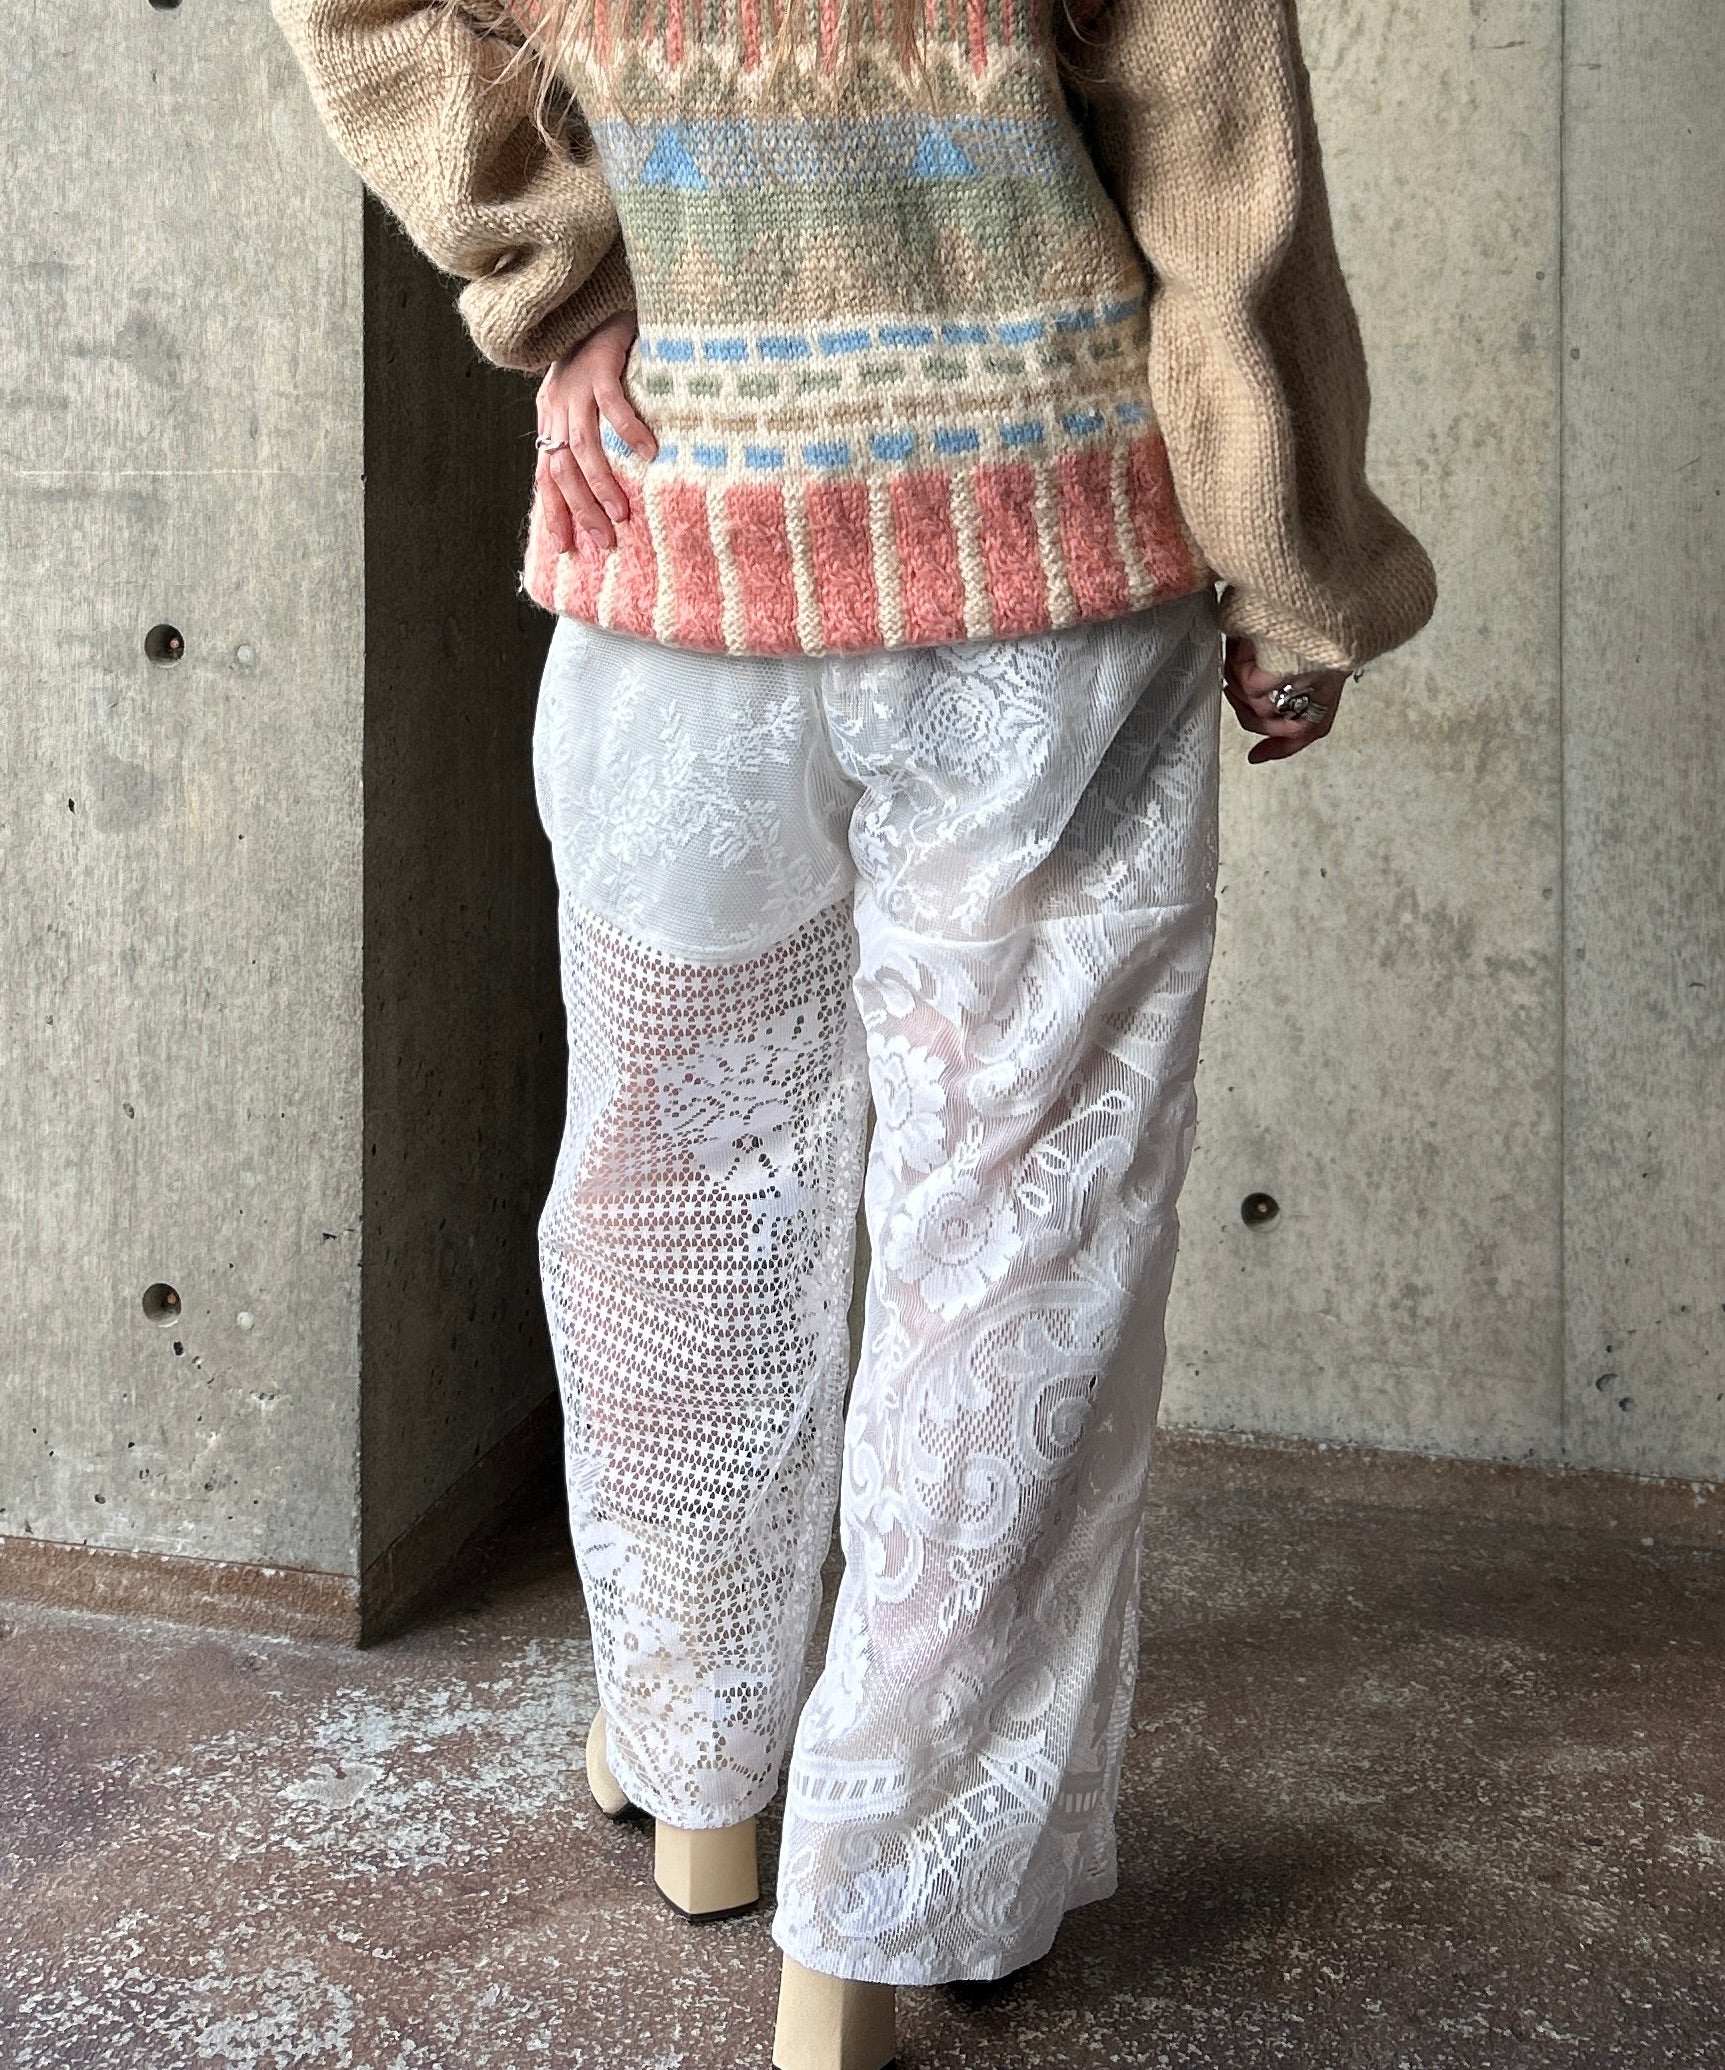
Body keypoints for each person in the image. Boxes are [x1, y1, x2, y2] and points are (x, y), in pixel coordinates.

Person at [269, 0, 1437, 2062]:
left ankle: (697, 1770)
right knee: (1020, 1227)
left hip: (676, 512)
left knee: (673, 1184)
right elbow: (1217, 168)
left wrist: (560, 268)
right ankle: (889, 1910)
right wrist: (1287, 560)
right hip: (1037, 550)